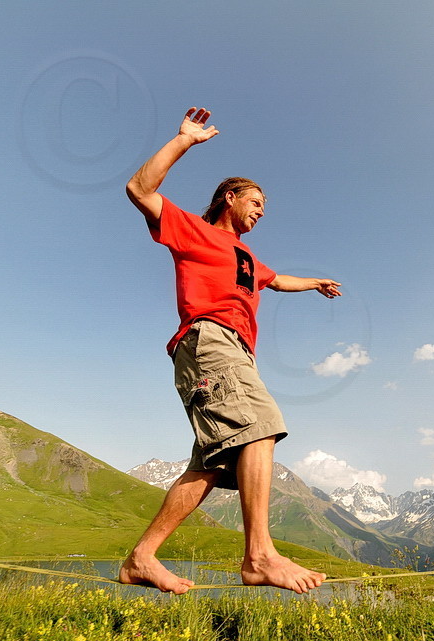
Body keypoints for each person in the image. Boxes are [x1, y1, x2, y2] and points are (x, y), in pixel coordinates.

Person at [119, 107, 340, 594]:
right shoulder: (193, 231)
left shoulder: (247, 257)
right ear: (229, 197)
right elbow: (139, 189)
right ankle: (259, 556)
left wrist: (314, 283)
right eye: (256, 201)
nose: (262, 210)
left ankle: (142, 558)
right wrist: (184, 141)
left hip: (232, 351)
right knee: (260, 425)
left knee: (210, 466)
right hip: (210, 340)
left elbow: (277, 279)